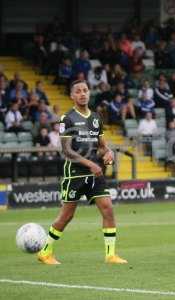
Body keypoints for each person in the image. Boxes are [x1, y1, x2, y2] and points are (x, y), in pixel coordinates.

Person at [37, 80, 127, 265]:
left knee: (108, 210)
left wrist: (108, 152)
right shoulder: (67, 118)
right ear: (72, 96)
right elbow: (67, 151)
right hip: (75, 175)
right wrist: (90, 164)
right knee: (66, 216)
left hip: (95, 175)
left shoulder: (95, 118)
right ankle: (45, 252)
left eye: (85, 90)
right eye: (78, 91)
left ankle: (110, 255)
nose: (82, 94)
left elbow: (101, 146)